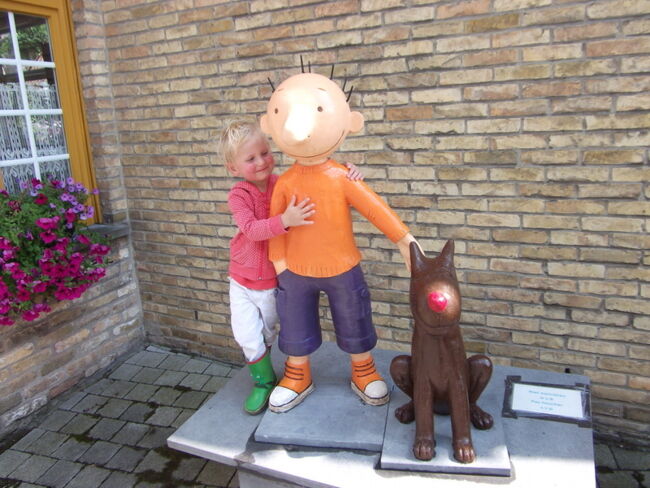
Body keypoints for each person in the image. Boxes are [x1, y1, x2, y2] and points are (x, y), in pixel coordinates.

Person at [260, 72, 417, 413]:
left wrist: (404, 239)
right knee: (294, 321)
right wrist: (279, 263)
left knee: (354, 316)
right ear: (269, 124)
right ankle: (297, 374)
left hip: (342, 265)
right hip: (294, 268)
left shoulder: (343, 176)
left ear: (350, 122)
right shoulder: (285, 182)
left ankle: (363, 369)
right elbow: (276, 224)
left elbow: (374, 208)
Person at [221, 120, 363, 415]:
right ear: (233, 168)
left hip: (274, 281)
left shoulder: (284, 182)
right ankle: (263, 382)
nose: (261, 162)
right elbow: (251, 229)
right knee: (246, 335)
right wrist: (285, 220)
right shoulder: (239, 195)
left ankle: (290, 372)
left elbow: (320, 191)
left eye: (265, 153)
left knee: (274, 331)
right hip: (242, 280)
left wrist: (348, 174)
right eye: (250, 159)